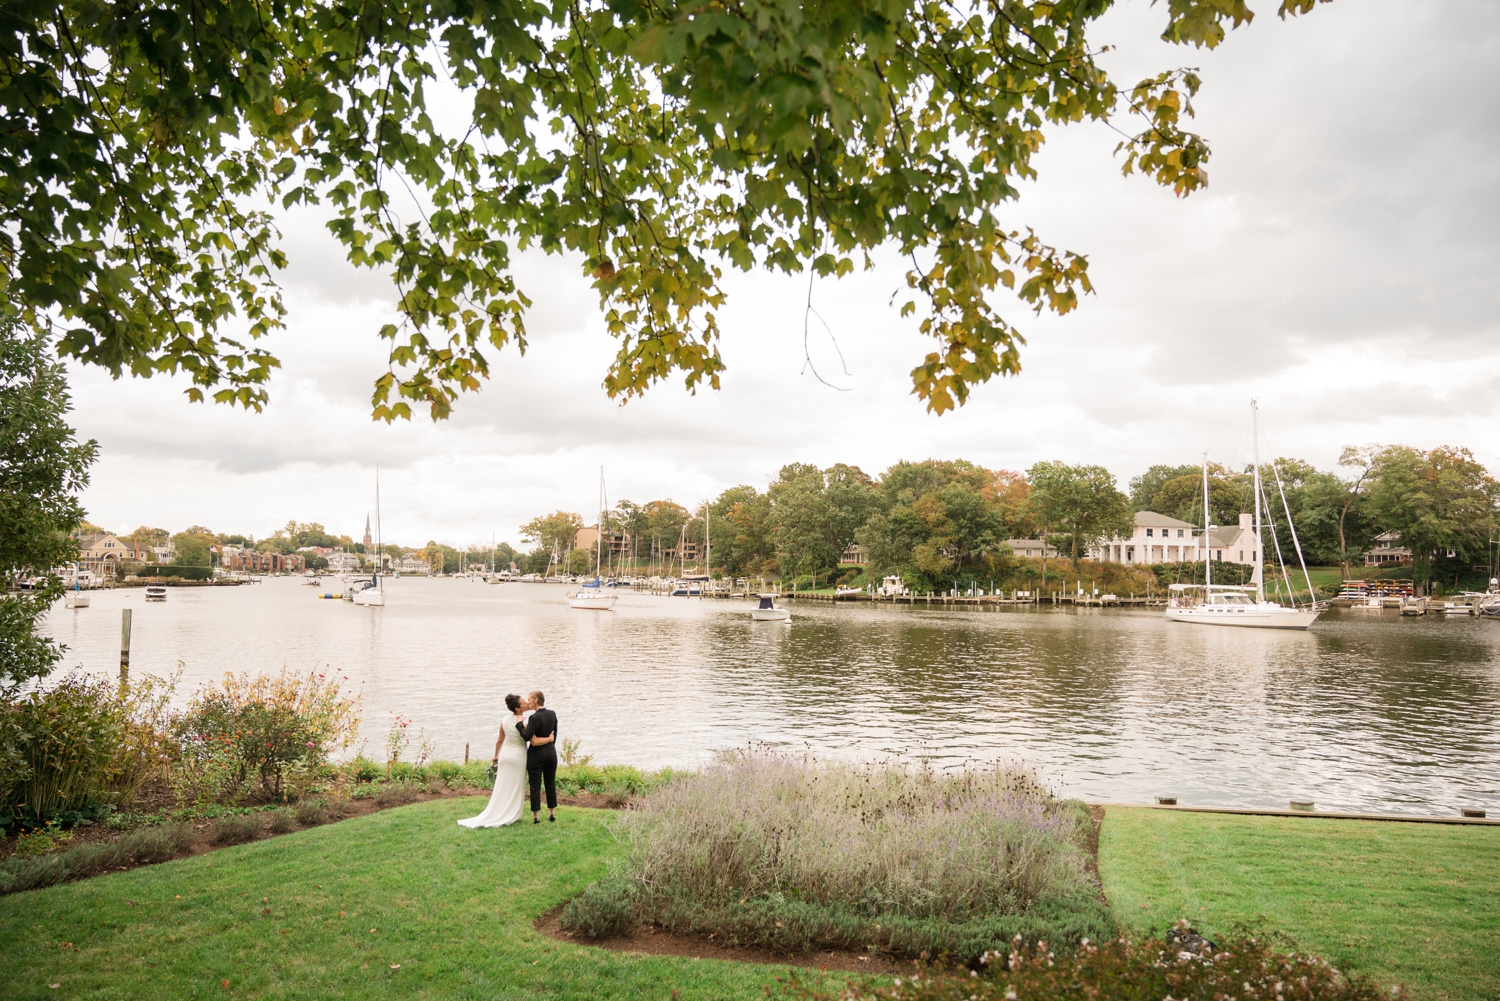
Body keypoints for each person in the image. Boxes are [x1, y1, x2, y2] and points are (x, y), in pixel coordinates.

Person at [456, 694, 528, 828]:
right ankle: (513, 814)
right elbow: (528, 737)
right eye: (524, 703)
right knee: (516, 785)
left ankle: (500, 810)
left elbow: (500, 739)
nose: (527, 703)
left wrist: (496, 756)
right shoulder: (525, 721)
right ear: (518, 709)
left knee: (503, 785)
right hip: (518, 756)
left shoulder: (505, 720)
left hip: (505, 755)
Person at [519, 690, 558, 824]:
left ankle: (536, 816)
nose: (527, 702)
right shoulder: (552, 714)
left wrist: (519, 726)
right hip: (551, 754)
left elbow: (526, 736)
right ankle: (552, 813)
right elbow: (554, 736)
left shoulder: (534, 718)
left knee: (535, 785)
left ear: (536, 700)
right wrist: (549, 741)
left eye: (529, 699)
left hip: (536, 755)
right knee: (550, 783)